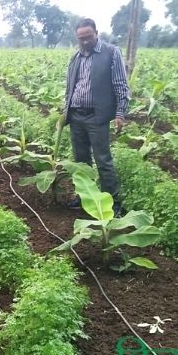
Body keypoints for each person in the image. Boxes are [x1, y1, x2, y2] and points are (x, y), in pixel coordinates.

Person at [62, 18, 130, 215]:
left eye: (88, 37)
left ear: (96, 33)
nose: (84, 42)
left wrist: (120, 113)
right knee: (81, 160)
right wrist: (65, 111)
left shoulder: (111, 53)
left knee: (103, 160)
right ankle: (85, 196)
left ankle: (112, 202)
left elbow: (120, 85)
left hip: (97, 116)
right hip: (76, 115)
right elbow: (70, 87)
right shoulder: (76, 57)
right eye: (80, 38)